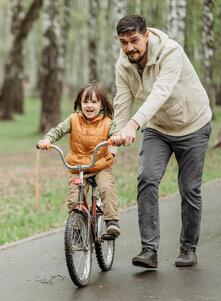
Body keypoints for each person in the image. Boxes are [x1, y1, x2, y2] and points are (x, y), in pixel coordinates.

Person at [112, 15, 212, 268]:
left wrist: (134, 125)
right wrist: (111, 145)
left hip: (193, 125)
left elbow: (160, 92)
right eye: (123, 42)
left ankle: (188, 249)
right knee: (147, 178)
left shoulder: (171, 52)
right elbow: (122, 103)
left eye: (134, 40)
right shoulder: (123, 65)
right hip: (157, 127)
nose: (129, 48)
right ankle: (149, 250)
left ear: (146, 36)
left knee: (189, 189)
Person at [37, 83, 120, 238]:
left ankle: (112, 221)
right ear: (79, 104)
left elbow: (115, 133)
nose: (89, 105)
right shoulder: (73, 119)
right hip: (78, 167)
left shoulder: (107, 122)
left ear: (101, 105)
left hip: (100, 165)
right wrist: (48, 139)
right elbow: (58, 130)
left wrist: (116, 138)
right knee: (74, 198)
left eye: (94, 102)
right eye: (85, 101)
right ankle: (76, 230)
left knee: (106, 187)